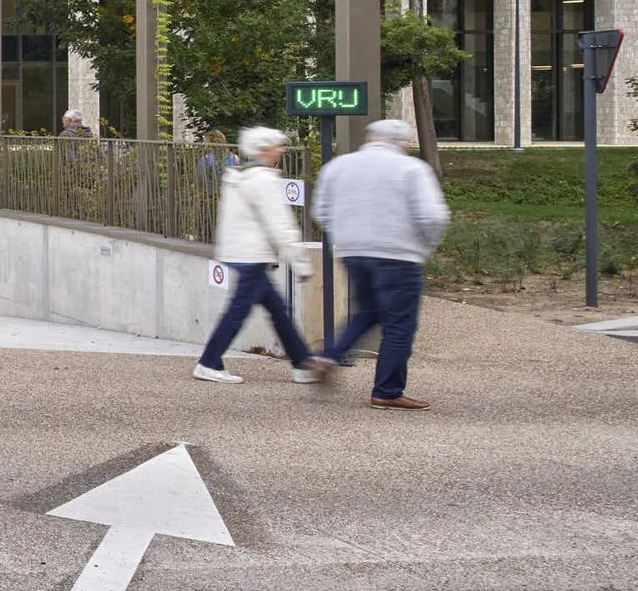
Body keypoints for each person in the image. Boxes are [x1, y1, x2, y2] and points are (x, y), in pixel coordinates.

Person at [311, 117, 450, 410]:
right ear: (401, 142)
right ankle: (387, 390)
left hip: (353, 252)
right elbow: (433, 216)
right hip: (398, 253)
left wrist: (346, 237)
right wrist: (425, 247)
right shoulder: (412, 169)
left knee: (367, 311)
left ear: (370, 137)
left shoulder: (338, 166)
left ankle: (330, 356)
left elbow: (321, 211)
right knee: (399, 325)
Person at [193, 127, 336, 385]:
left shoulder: (238, 176)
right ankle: (209, 362)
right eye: (277, 146)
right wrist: (301, 264)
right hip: (253, 255)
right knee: (240, 311)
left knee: (277, 310)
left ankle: (302, 362)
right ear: (264, 149)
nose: (281, 150)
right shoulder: (264, 181)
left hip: (241, 252)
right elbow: (281, 225)